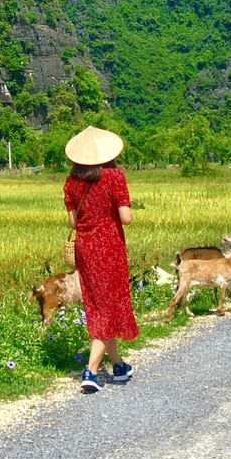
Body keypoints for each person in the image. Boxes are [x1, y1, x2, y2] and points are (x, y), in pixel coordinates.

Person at [62, 125, 138, 393]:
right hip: (110, 248)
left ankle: (118, 365)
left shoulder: (71, 183)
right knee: (107, 306)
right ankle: (91, 371)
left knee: (100, 303)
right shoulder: (115, 177)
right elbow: (126, 218)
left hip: (86, 249)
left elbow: (73, 220)